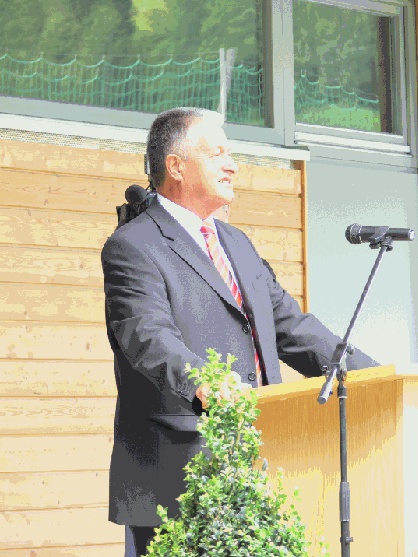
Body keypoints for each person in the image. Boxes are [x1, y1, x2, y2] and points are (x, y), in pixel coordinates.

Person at [101, 107, 379, 557]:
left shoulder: (236, 244)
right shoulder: (133, 246)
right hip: (179, 474)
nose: (232, 165)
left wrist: (375, 377)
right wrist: (204, 380)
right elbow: (147, 336)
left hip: (257, 462)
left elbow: (293, 328)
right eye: (216, 154)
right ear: (176, 166)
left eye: (230, 154)